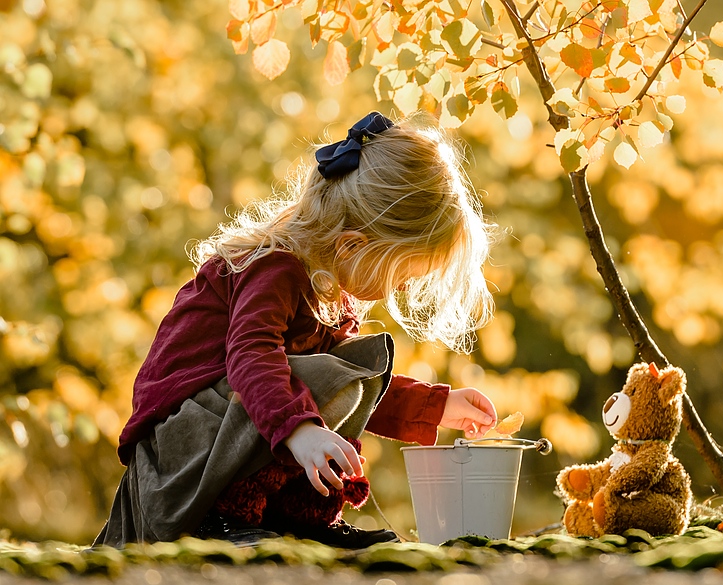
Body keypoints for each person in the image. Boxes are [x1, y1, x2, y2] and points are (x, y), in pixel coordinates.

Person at [94, 112, 498, 550]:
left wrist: (435, 406)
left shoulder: (325, 292)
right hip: (176, 462)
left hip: (214, 444)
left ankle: (302, 518)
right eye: (401, 275)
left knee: (351, 367)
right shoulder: (276, 268)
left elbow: (350, 386)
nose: (399, 289)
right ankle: (222, 518)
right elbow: (251, 357)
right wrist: (298, 431)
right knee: (324, 375)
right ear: (353, 246)